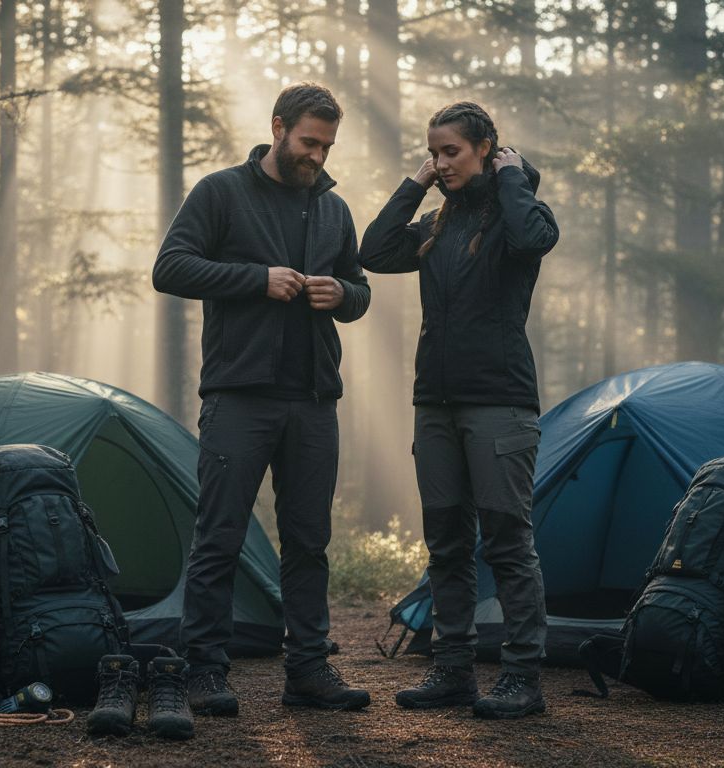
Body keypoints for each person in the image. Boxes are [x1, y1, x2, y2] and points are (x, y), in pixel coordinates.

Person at [152, 82, 372, 714]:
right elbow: (170, 268)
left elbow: (359, 290)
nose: (318, 157)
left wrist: (345, 296)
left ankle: (308, 671)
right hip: (239, 397)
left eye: (327, 146)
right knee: (219, 536)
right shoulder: (221, 192)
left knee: (309, 541)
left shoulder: (334, 210)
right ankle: (203, 671)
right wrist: (257, 280)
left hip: (313, 400)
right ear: (278, 127)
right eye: (309, 142)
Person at [358, 101, 559, 719]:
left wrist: (513, 177)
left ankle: (523, 678)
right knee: (446, 544)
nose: (441, 162)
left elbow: (535, 238)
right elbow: (374, 249)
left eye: (452, 152)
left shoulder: (516, 216)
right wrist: (415, 181)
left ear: (486, 149)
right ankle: (453, 672)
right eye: (434, 151)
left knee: (506, 543)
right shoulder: (436, 226)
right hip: (435, 405)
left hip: (499, 404)